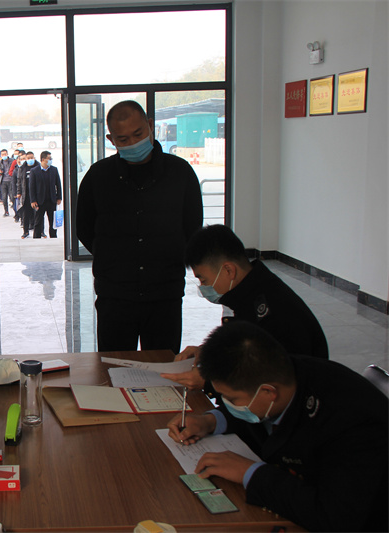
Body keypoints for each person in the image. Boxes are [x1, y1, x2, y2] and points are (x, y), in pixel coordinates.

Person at [167, 322, 387, 532]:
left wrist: (250, 473)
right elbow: (254, 408)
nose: (227, 403)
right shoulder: (277, 371)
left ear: (269, 392)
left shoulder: (352, 424)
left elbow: (334, 518)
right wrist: (211, 421)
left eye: (231, 399)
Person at [76, 100, 202, 354]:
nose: (133, 143)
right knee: (112, 368)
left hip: (164, 295)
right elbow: (85, 229)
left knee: (162, 368)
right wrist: (113, 259)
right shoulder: (98, 177)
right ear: (111, 139)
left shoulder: (180, 173)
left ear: (150, 126)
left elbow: (192, 227)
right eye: (123, 139)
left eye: (138, 134)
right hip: (115, 296)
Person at [162, 225, 329, 389]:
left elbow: (270, 382)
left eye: (204, 280)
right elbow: (242, 350)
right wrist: (207, 353)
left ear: (229, 270)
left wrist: (210, 382)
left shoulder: (272, 313)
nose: (203, 287)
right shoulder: (250, 292)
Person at [29, 150, 62, 239]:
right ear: (43, 159)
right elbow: (32, 187)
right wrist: (33, 200)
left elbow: (58, 184)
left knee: (52, 222)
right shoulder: (34, 171)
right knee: (38, 221)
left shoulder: (54, 170)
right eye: (49, 158)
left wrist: (59, 197)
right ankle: (36, 238)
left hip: (51, 200)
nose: (50, 160)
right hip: (40, 201)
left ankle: (53, 237)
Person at [0, 149, 16, 217]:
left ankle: (16, 212)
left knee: (12, 197)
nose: (4, 155)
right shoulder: (0, 162)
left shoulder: (12, 160)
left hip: (10, 181)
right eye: (2, 154)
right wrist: (0, 172)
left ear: (7, 154)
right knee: (4, 198)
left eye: (5, 154)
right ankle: (6, 211)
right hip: (3, 181)